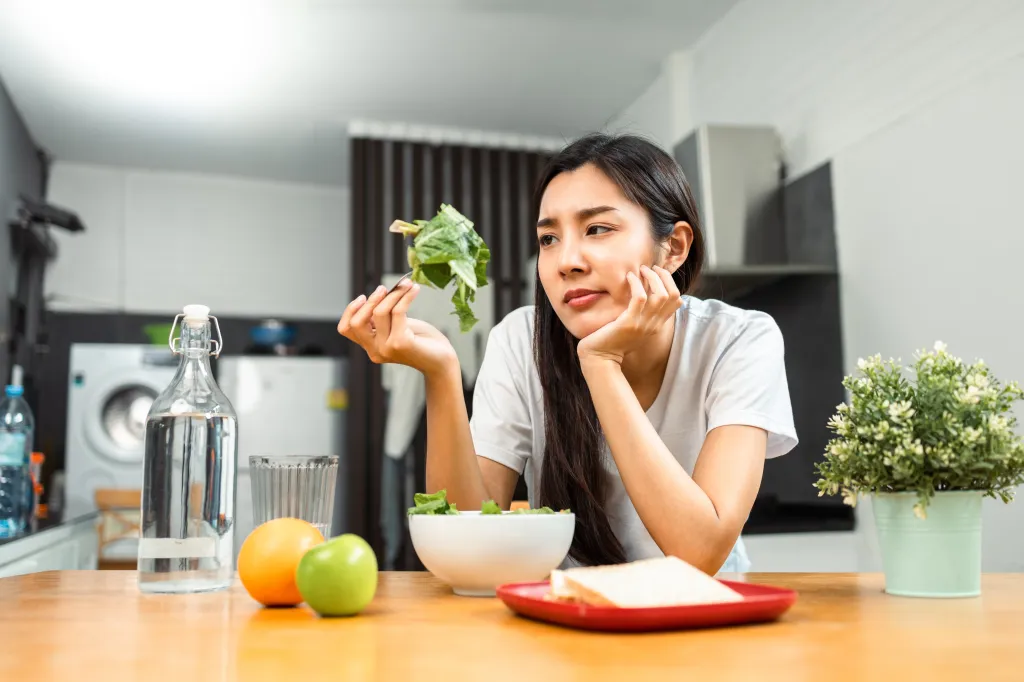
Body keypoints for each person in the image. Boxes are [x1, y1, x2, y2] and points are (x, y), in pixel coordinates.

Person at [338, 133, 797, 574]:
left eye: (597, 229)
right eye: (548, 239)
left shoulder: (739, 339)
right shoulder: (520, 340)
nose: (565, 261)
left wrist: (601, 363)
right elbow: (468, 539)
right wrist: (440, 373)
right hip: (571, 615)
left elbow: (700, 553)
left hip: (706, 618)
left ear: (673, 247)